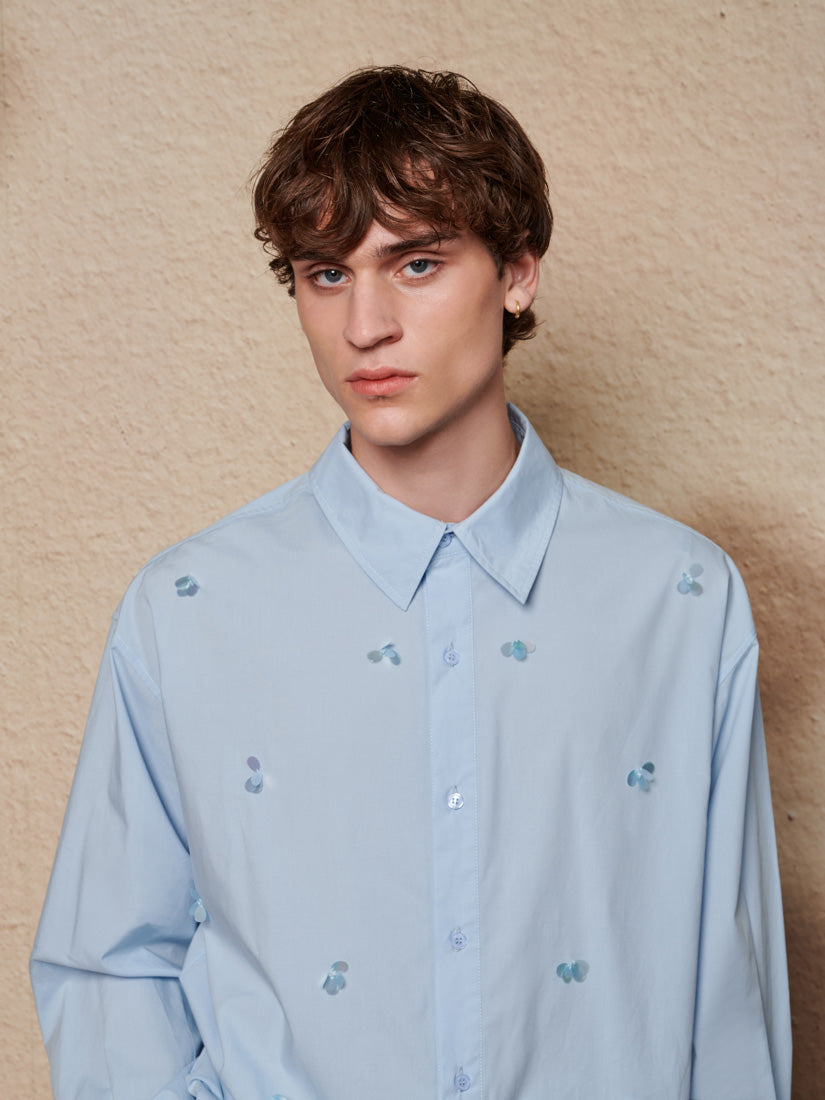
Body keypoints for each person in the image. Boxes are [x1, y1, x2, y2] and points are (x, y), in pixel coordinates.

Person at [31, 66, 791, 1099]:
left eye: (417, 263)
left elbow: (731, 992)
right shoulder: (187, 610)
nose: (365, 325)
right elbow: (112, 966)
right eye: (325, 275)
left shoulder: (681, 599)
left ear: (516, 271)